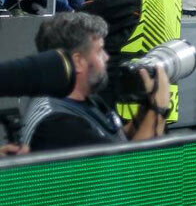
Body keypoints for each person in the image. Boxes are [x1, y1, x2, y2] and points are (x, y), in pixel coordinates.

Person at [18, 12, 169, 152]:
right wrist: (158, 109)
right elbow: (127, 175)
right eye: (99, 51)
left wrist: (146, 105)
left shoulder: (84, 100)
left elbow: (114, 140)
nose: (106, 57)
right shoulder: (59, 123)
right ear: (77, 62)